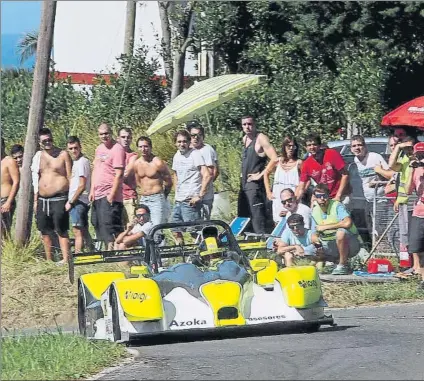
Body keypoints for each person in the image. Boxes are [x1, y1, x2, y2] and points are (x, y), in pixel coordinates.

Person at [31, 128, 72, 263]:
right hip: (43, 199)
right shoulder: (38, 157)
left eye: (50, 139)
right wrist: (36, 200)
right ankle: (49, 260)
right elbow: (35, 178)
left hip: (59, 198)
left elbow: (70, 176)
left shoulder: (63, 154)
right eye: (45, 141)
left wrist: (71, 199)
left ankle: (66, 259)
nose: (48, 142)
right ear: (40, 142)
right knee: (44, 230)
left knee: (61, 229)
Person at [238, 116, 278, 234]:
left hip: (255, 185)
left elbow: (275, 159)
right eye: (244, 124)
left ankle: (263, 240)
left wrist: (261, 175)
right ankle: (251, 239)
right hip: (244, 183)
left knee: (257, 214)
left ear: (254, 124)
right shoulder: (245, 139)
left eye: (249, 124)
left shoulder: (261, 138)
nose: (247, 127)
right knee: (245, 213)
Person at [348, 135, 393, 240]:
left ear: (365, 146)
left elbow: (391, 176)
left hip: (381, 200)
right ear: (351, 149)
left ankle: (383, 251)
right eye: (354, 146)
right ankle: (375, 250)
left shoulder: (375, 157)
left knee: (380, 229)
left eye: (360, 145)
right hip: (368, 201)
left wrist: (378, 182)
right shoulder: (356, 160)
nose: (357, 148)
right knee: (371, 229)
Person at [311, 183, 361, 275]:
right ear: (314, 197)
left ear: (328, 195)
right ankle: (331, 264)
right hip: (330, 244)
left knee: (341, 233)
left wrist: (326, 227)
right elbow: (314, 234)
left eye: (324, 196)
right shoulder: (314, 211)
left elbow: (347, 223)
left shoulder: (337, 205)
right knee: (310, 249)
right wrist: (318, 245)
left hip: (351, 244)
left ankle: (343, 265)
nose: (322, 199)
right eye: (319, 196)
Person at [171, 129, 212, 244]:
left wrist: (200, 195)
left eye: (184, 141)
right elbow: (175, 174)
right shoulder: (176, 156)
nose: (181, 144)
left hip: (191, 200)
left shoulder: (195, 154)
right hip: (179, 199)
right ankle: (183, 252)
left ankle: (201, 256)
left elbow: (207, 175)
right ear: (175, 143)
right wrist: (176, 192)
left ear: (189, 142)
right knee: (174, 229)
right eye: (179, 142)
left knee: (194, 232)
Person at [89, 123, 126, 250]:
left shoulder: (117, 149)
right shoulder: (99, 149)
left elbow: (119, 174)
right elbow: (95, 169)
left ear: (111, 133)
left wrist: (112, 194)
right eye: (101, 134)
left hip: (110, 193)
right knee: (97, 223)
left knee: (110, 225)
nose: (104, 136)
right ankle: (106, 250)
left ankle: (113, 252)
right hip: (97, 193)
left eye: (106, 133)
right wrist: (92, 189)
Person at [130, 136, 173, 226]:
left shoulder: (157, 163)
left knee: (157, 226)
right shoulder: (136, 164)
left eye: (146, 146)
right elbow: (138, 181)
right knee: (143, 226)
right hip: (144, 198)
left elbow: (168, 181)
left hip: (157, 198)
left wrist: (163, 195)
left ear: (150, 147)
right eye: (140, 147)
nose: (143, 149)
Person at [296, 133, 349, 204]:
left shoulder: (332, 154)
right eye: (309, 145)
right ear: (306, 148)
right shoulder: (306, 164)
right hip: (323, 197)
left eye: (314, 144)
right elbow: (301, 185)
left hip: (341, 195)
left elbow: (345, 175)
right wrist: (295, 201)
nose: (312, 147)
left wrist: (338, 196)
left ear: (319, 145)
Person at [388, 136, 416, 266]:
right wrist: (399, 147)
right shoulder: (404, 159)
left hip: (416, 201)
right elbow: (391, 165)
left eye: (411, 148)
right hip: (404, 201)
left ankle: (417, 265)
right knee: (405, 235)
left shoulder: (418, 160)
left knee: (415, 235)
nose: (409, 151)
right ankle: (407, 264)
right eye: (406, 148)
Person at [264, 136, 302, 225]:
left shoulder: (299, 163)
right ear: (284, 147)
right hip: (277, 196)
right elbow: (266, 173)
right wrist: (268, 192)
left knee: (293, 222)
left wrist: (297, 196)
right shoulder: (277, 161)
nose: (291, 148)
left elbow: (305, 181)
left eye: (293, 146)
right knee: (278, 222)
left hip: (292, 197)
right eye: (289, 146)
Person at [66, 136, 93, 253]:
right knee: (83, 228)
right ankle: (91, 250)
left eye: (75, 148)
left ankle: (77, 255)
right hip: (78, 200)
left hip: (79, 201)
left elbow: (82, 185)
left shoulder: (82, 162)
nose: (73, 151)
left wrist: (71, 201)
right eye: (70, 149)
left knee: (77, 230)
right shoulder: (77, 162)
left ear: (80, 147)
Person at [187, 121, 219, 220]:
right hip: (191, 194)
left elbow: (213, 172)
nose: (196, 138)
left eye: (199, 135)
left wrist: (202, 190)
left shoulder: (207, 150)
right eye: (193, 135)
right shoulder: (190, 151)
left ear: (203, 136)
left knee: (202, 225)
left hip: (203, 197)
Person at [407, 142, 424, 290]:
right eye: (418, 154)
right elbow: (407, 190)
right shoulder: (416, 170)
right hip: (419, 212)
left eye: (422, 154)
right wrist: (411, 170)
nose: (420, 157)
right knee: (417, 246)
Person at [118, 127, 138, 226]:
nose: (126, 139)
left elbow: (125, 175)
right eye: (123, 137)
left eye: (128, 137)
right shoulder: (115, 154)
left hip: (128, 197)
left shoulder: (133, 156)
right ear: (118, 138)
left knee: (131, 227)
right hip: (116, 197)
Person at [1, 138, 20, 238]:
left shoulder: (9, 161)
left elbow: (16, 182)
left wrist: (9, 201)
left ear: (3, 146)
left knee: (3, 231)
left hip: (5, 200)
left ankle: (7, 252)